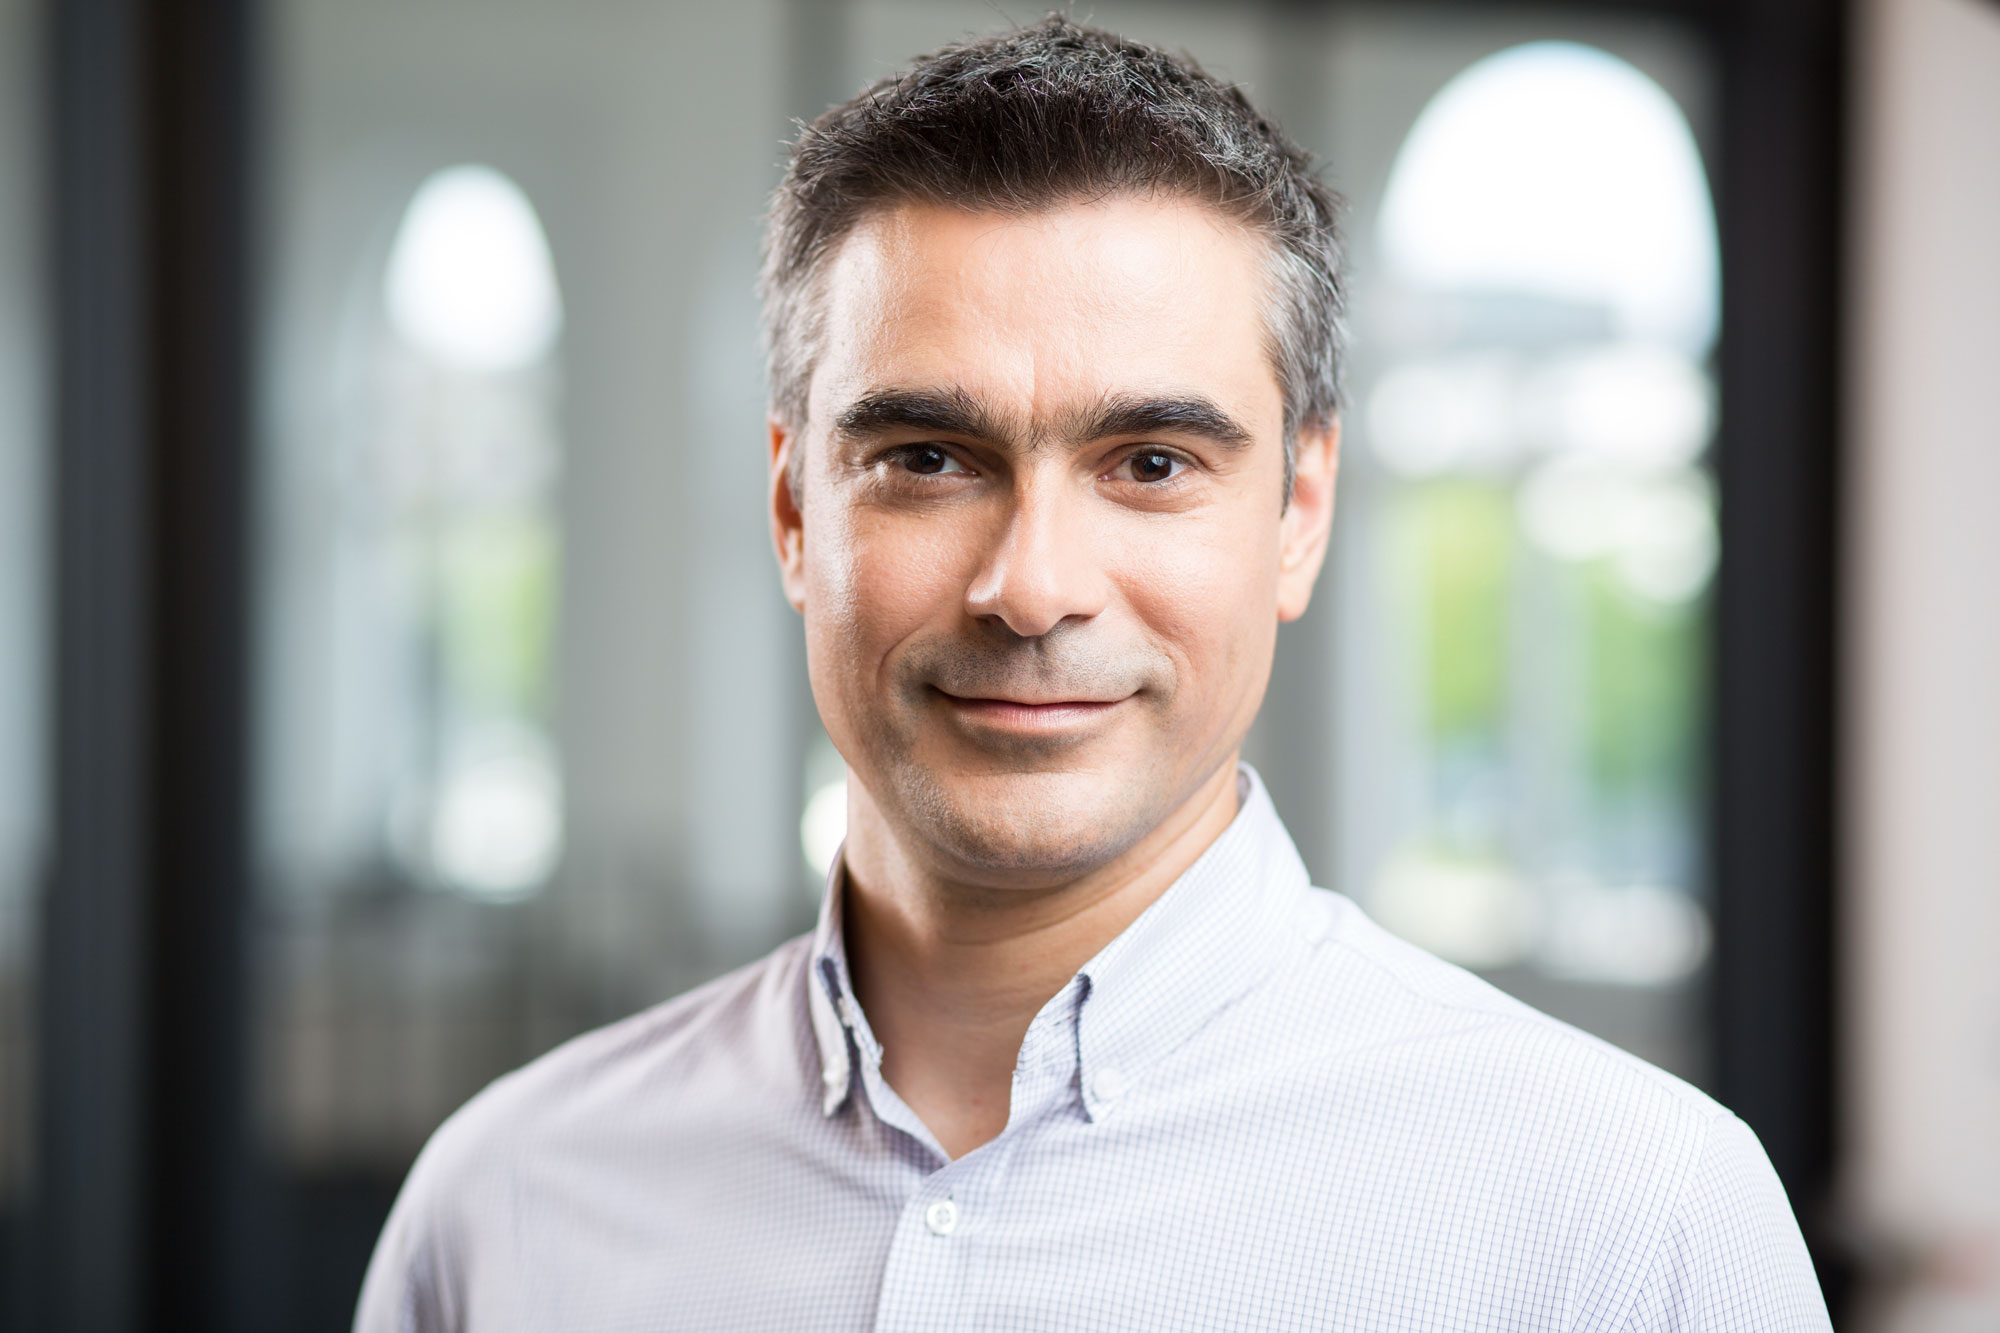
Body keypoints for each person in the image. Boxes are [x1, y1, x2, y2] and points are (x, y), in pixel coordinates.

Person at [356, 17, 1830, 1330]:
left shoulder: (1627, 1225)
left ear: (1300, 514)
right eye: (928, 458)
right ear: (796, 509)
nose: (1033, 586)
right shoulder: (505, 1211)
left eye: (1152, 463)